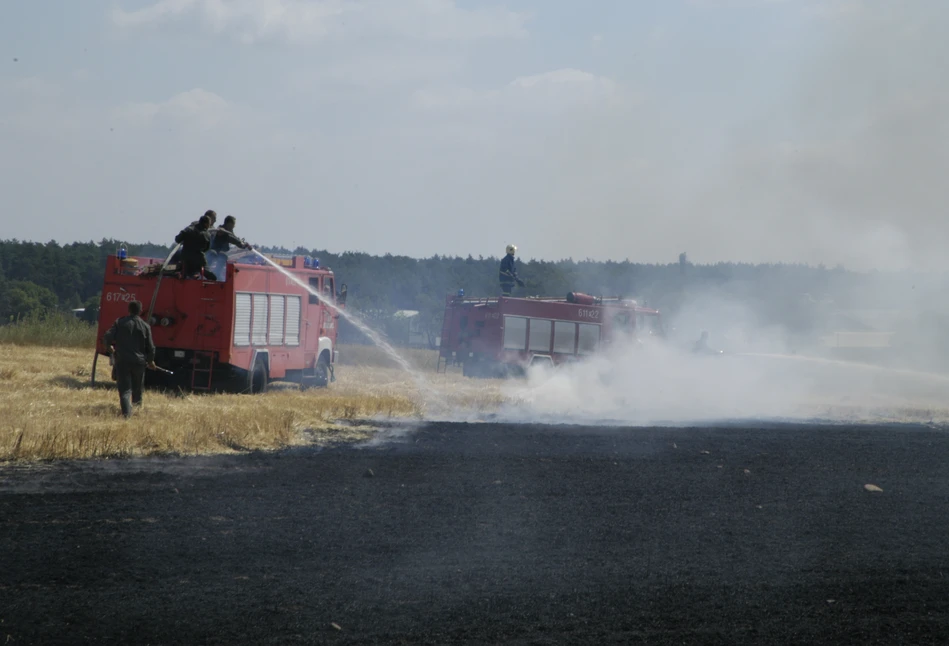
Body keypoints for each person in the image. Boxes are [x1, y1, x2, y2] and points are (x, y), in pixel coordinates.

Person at [103, 300, 156, 418]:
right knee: (138, 390)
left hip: (123, 361)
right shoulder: (145, 326)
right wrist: (151, 361)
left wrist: (108, 347)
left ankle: (127, 416)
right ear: (140, 311)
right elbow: (151, 347)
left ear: (128, 309)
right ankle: (137, 413)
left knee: (125, 390)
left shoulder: (120, 322)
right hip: (139, 362)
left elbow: (107, 336)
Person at [207, 215, 253, 280]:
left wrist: (244, 245)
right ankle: (208, 273)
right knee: (221, 257)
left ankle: (216, 274)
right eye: (233, 224)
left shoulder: (228, 231)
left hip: (218, 252)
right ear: (229, 224)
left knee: (223, 256)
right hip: (213, 251)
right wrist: (243, 245)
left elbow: (236, 239)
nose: (234, 226)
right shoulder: (222, 231)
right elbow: (233, 239)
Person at [174, 214, 216, 280]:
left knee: (185, 271)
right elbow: (207, 248)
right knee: (207, 272)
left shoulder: (188, 230)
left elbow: (177, 239)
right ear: (205, 224)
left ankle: (186, 275)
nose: (209, 226)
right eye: (209, 224)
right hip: (199, 259)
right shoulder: (207, 234)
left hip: (185, 257)